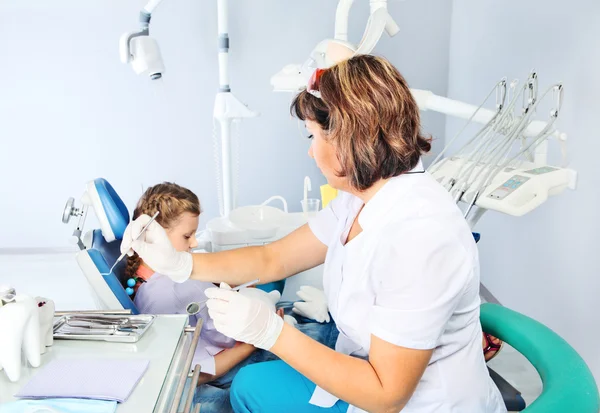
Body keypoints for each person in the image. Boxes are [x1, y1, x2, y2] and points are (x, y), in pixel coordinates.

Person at [123, 55, 507, 412]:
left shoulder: (420, 236)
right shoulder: (360, 197)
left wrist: (270, 332)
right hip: (360, 365)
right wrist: (180, 264)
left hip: (416, 403)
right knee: (249, 386)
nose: (310, 152)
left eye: (313, 136)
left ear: (349, 138)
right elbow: (271, 258)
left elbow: (387, 395)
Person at [124, 182, 338, 412]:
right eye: (187, 236)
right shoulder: (161, 296)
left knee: (319, 327)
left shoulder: (170, 276)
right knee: (324, 339)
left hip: (240, 335)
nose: (194, 243)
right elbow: (198, 372)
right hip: (241, 355)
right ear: (156, 235)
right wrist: (255, 341)